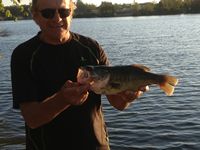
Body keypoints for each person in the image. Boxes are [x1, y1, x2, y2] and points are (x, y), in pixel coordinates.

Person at [11, 0, 148, 149]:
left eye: (64, 12)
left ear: (71, 14)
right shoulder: (24, 55)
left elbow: (118, 103)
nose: (57, 19)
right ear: (35, 16)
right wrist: (63, 99)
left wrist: (128, 96)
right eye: (48, 13)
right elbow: (32, 119)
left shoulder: (91, 48)